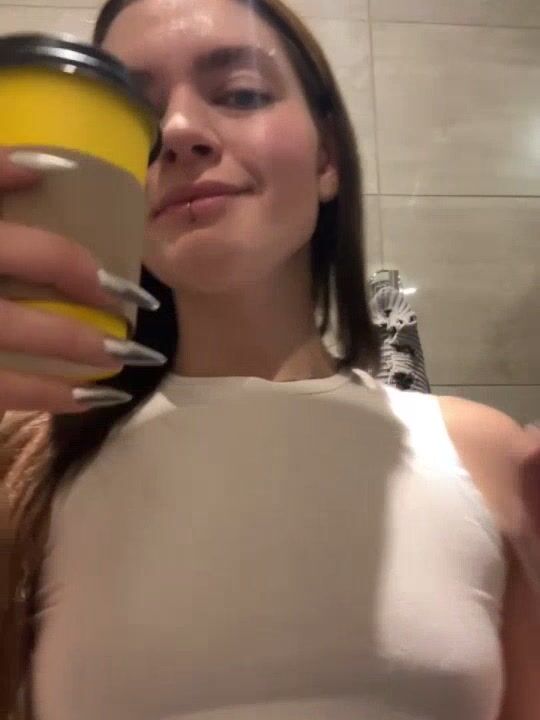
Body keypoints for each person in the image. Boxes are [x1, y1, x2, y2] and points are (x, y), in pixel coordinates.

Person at [0, 0, 539, 718]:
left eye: (241, 93)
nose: (178, 131)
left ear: (326, 158)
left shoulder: (490, 459)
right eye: (140, 115)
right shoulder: (23, 466)